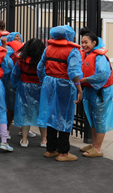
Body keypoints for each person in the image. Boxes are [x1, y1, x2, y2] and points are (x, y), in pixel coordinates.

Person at [37, 25, 83, 161]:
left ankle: (50, 149)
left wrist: (44, 81)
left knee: (51, 115)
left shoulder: (48, 48)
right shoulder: (73, 51)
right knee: (65, 117)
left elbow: (40, 67)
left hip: (49, 83)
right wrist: (79, 89)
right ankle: (63, 152)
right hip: (65, 85)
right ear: (68, 35)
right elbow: (74, 72)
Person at [79, 27, 113, 158]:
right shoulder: (87, 54)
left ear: (94, 42)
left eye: (86, 42)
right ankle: (94, 144)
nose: (83, 45)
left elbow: (102, 75)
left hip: (100, 91)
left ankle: (98, 148)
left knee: (99, 119)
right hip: (90, 89)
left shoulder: (100, 57)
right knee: (92, 117)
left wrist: (85, 80)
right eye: (82, 42)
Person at [12, 38, 47, 148]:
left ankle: (24, 140)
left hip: (25, 87)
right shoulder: (43, 61)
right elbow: (46, 74)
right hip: (41, 88)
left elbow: (14, 74)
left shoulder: (21, 60)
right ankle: (44, 141)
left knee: (25, 114)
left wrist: (15, 85)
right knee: (42, 113)